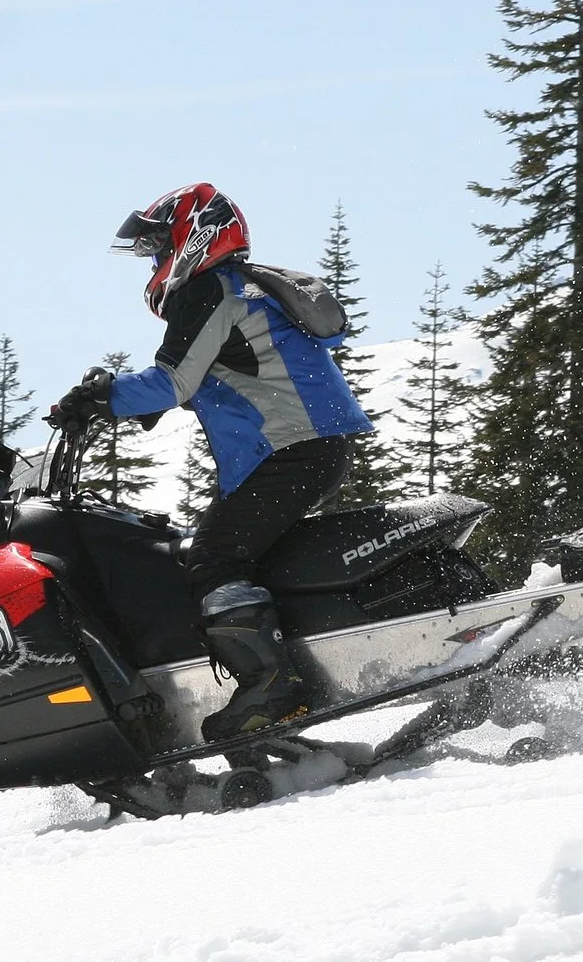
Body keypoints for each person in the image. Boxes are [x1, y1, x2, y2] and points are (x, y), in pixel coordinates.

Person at [49, 183, 373, 741]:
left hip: (291, 448)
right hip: (308, 444)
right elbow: (238, 369)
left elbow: (172, 379)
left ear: (194, 236)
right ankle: (288, 661)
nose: (154, 261)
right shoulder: (244, 288)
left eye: (158, 247)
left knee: (214, 558)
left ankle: (272, 687)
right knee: (237, 551)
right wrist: (148, 401)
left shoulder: (208, 290)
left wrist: (97, 398)